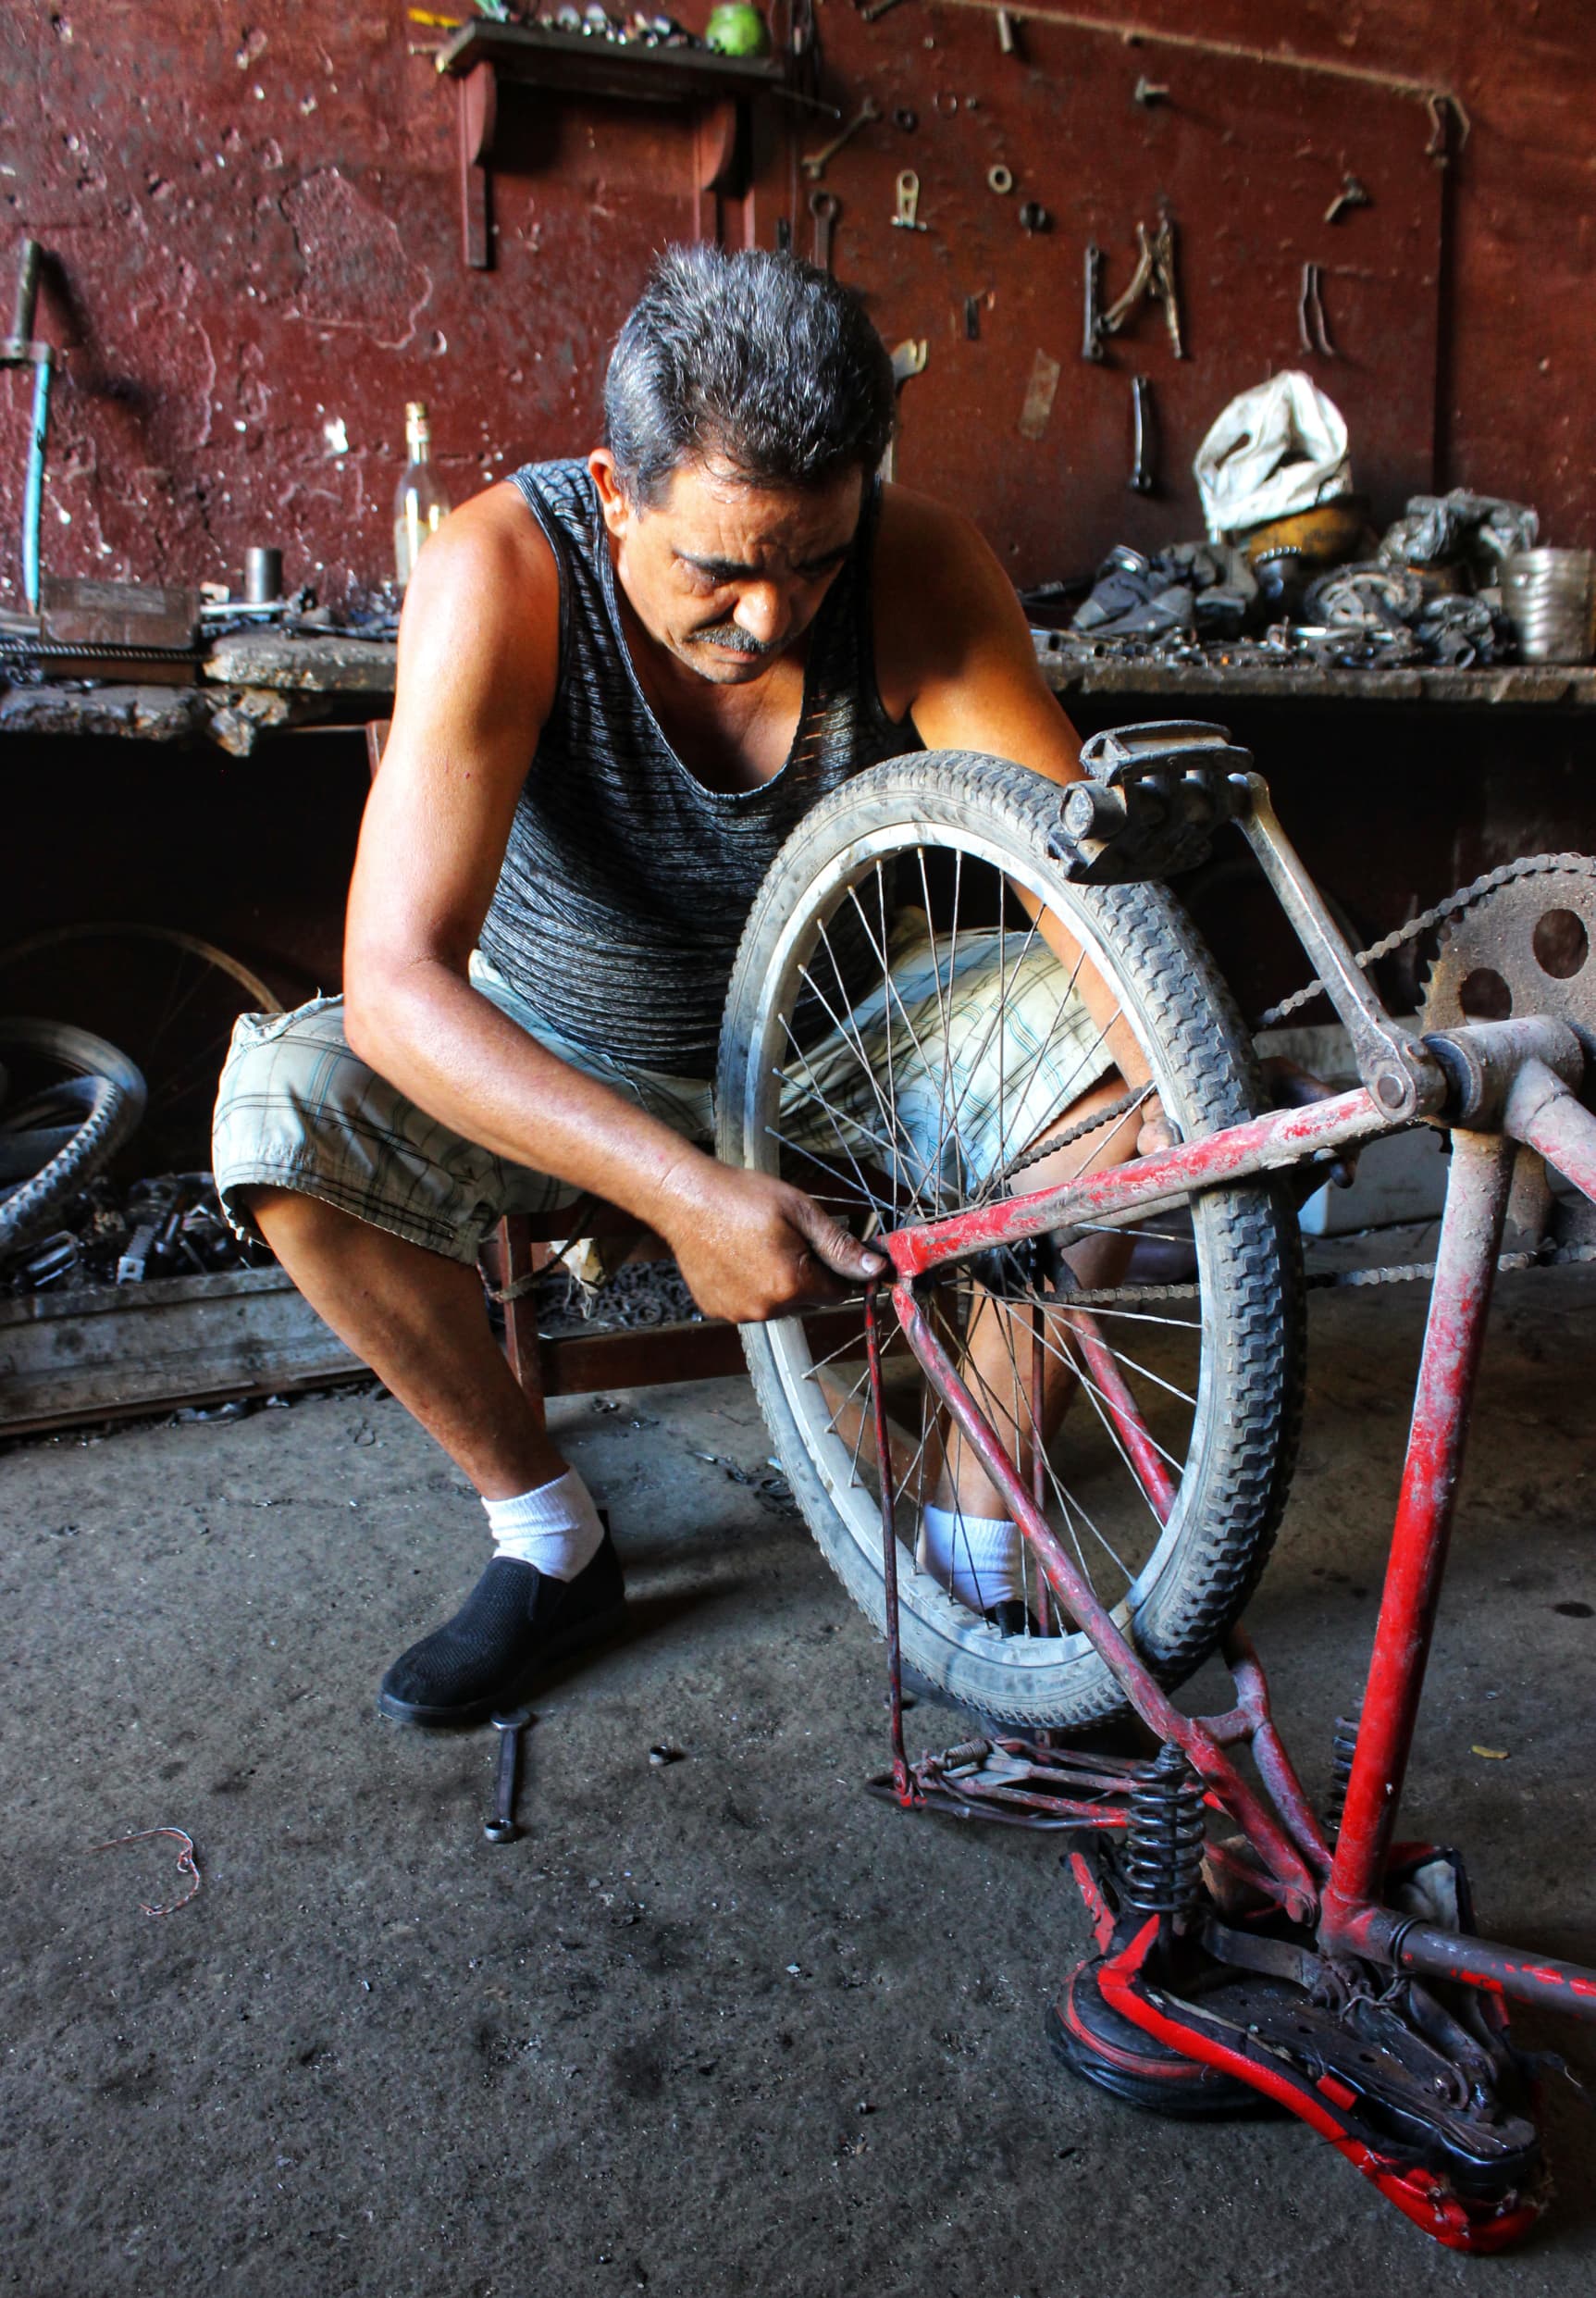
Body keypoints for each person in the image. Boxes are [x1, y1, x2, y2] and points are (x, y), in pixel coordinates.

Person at [212, 244, 1110, 1729]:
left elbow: (1084, 888)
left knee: (1126, 1075)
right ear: (616, 491)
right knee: (282, 1123)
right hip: (569, 1046)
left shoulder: (918, 565)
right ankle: (549, 1542)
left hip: (842, 1038)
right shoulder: (503, 568)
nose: (772, 618)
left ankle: (972, 1540)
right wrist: (681, 1194)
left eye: (813, 559)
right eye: (721, 565)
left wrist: (1184, 1086)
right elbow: (391, 984)